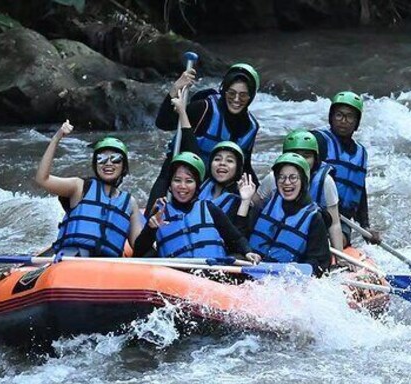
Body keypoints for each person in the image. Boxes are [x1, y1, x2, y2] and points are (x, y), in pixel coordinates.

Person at [146, 62, 261, 213]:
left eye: (243, 95)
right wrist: (175, 89)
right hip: (177, 176)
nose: (236, 99)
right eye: (231, 93)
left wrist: (260, 193)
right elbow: (163, 123)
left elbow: (244, 166)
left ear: (251, 97)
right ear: (224, 90)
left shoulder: (251, 127)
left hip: (212, 184)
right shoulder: (204, 108)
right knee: (152, 218)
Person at [35, 120, 143, 257]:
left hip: (108, 268)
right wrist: (57, 138)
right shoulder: (79, 187)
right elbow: (42, 179)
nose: (108, 163)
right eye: (101, 158)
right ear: (95, 164)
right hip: (73, 260)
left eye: (115, 159)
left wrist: (152, 227)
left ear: (124, 166)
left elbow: (139, 246)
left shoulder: (130, 203)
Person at [134, 151, 261, 263]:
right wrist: (150, 229)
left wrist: (247, 251)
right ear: (170, 185)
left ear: (196, 186)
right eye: (177, 180)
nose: (182, 186)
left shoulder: (209, 208)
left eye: (189, 181)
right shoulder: (160, 212)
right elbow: (139, 252)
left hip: (214, 274)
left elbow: (235, 238)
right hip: (177, 277)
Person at [239, 152, 331, 276]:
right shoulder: (269, 202)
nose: (287, 182)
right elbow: (241, 233)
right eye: (281, 177)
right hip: (249, 266)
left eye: (293, 177)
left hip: (279, 279)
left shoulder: (315, 217)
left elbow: (319, 263)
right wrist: (245, 201)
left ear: (303, 181)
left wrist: (293, 271)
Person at [254, 130, 344, 251]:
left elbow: (334, 224)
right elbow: (256, 210)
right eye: (294, 154)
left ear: (315, 159)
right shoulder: (272, 179)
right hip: (272, 236)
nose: (300, 160)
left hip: (308, 240)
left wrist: (340, 256)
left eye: (306, 156)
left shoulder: (325, 182)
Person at [312, 91, 381, 246]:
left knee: (341, 241)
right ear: (331, 117)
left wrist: (365, 226)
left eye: (350, 117)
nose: (344, 121)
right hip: (315, 213)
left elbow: (359, 190)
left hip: (342, 219)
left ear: (357, 122)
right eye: (339, 115)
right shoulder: (318, 141)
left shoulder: (361, 153)